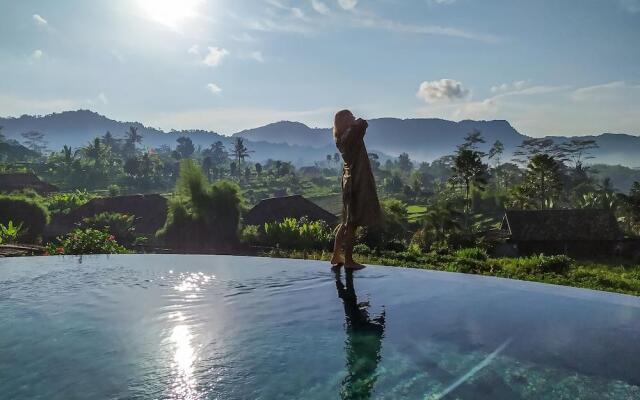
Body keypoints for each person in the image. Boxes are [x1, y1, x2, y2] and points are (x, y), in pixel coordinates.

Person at [331, 110, 382, 270]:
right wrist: (355, 122)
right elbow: (363, 123)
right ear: (345, 120)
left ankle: (335, 255)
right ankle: (349, 260)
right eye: (350, 116)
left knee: (346, 221)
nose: (354, 117)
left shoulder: (340, 137)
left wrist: (352, 123)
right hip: (356, 182)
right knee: (352, 223)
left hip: (349, 180)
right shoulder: (351, 134)